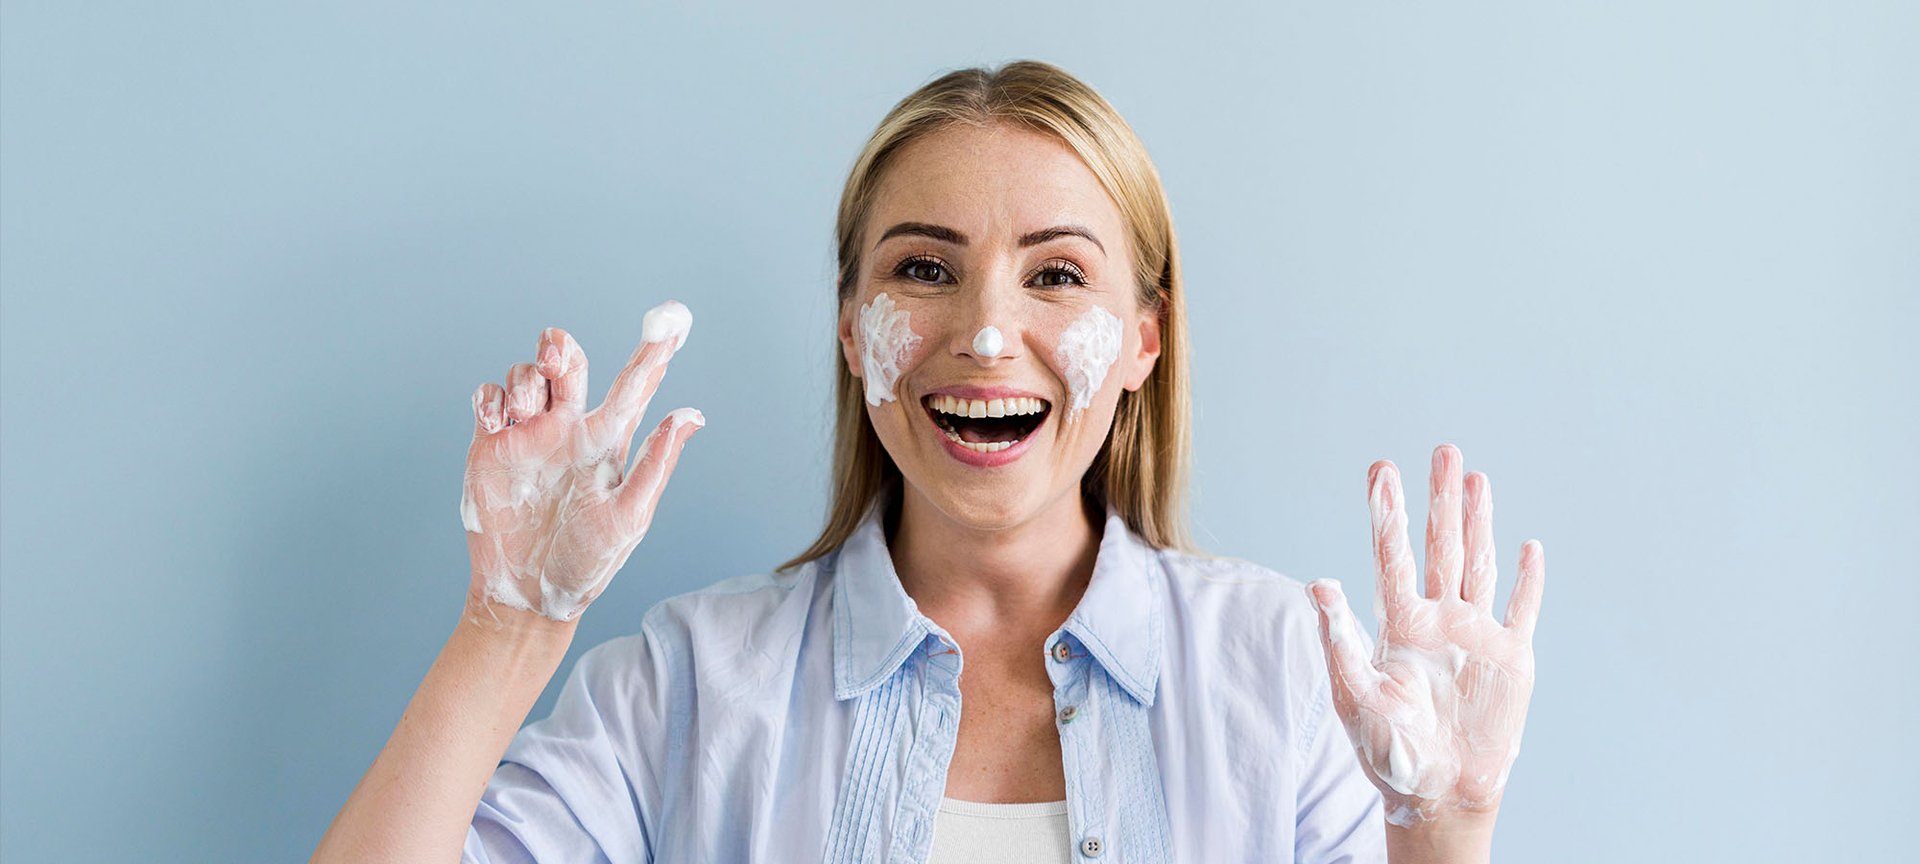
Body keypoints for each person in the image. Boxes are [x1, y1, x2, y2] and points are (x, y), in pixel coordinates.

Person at [313, 60, 1546, 864]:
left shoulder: (1287, 679)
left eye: (1057, 274)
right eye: (923, 269)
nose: (987, 332)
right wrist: (510, 624)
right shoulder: (690, 687)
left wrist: (1446, 828)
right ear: (854, 332)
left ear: (1145, 342)